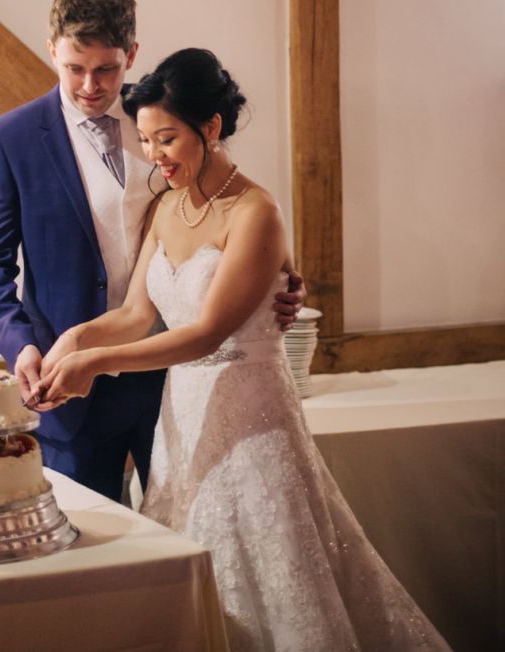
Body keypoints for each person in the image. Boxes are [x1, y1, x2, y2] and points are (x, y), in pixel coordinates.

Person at [33, 49, 451, 650]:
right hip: (181, 419)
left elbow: (206, 333)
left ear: (211, 127)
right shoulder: (167, 204)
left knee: (277, 575)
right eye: (147, 140)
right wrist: (76, 339)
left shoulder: (256, 212)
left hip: (252, 420)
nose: (155, 156)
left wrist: (95, 364)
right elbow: (135, 315)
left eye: (167, 139)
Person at [0, 0, 305, 503]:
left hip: (178, 375)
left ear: (132, 55)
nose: (89, 85)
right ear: (52, 48)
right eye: (74, 67)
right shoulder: (8, 140)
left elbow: (229, 213)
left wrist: (278, 280)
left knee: (189, 525)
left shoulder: (164, 115)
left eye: (107, 68)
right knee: (87, 547)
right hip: (71, 385)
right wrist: (25, 346)